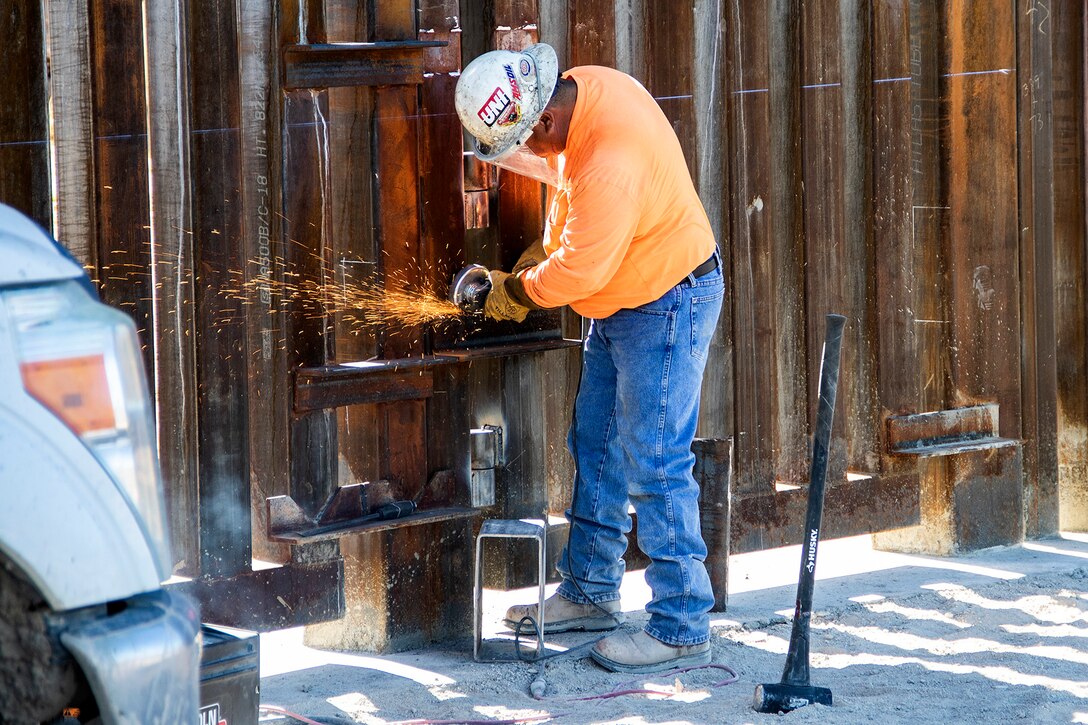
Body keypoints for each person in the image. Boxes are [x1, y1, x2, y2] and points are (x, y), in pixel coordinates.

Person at [455, 43, 723, 675]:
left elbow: (580, 267)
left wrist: (516, 290)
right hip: (628, 298)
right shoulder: (583, 89)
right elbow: (573, 200)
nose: (529, 155)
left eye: (526, 143)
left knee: (655, 462)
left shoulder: (610, 157)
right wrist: (542, 256)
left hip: (665, 302)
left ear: (543, 119)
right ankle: (591, 592)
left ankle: (682, 624)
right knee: (596, 445)